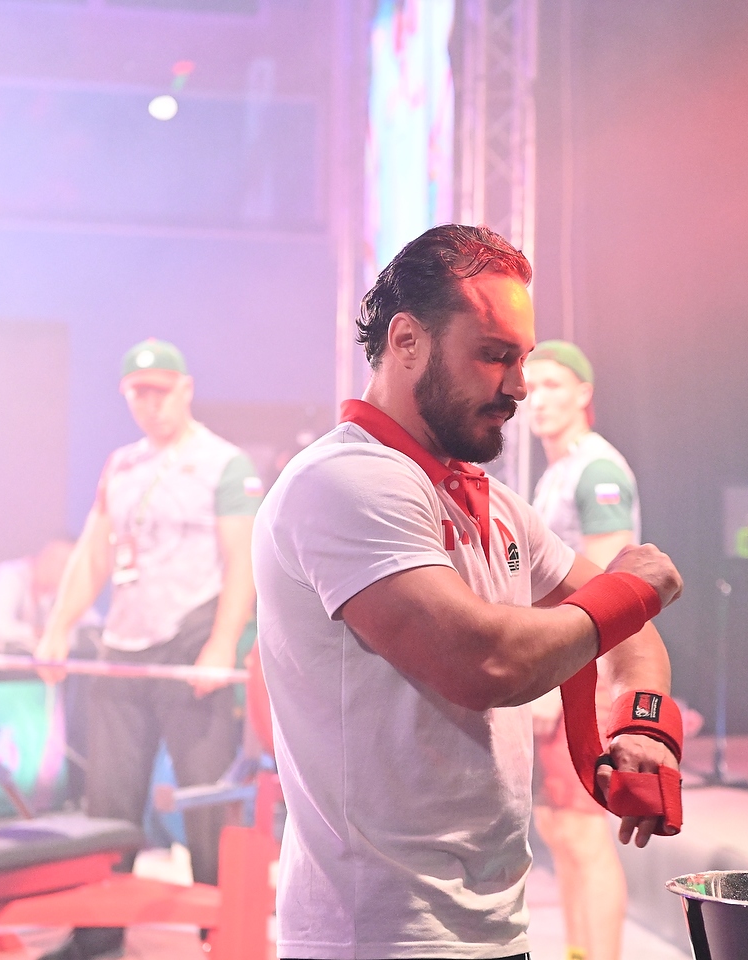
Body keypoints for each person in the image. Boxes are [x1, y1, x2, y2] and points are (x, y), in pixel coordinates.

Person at [254, 224, 684, 960]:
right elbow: (484, 663)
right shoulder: (345, 482)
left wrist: (643, 726)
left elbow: (631, 633)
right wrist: (629, 591)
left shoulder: (495, 502)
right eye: (493, 355)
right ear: (407, 341)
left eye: (523, 359)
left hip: (488, 926)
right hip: (376, 938)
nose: (518, 386)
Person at [34, 338, 263, 960]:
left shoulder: (224, 463)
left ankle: (224, 941)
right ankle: (96, 939)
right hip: (123, 646)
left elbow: (242, 562)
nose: (150, 403)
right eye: (138, 393)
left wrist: (221, 644)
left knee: (206, 803)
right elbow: (93, 552)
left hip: (191, 644)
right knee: (107, 804)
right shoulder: (122, 464)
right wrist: (58, 627)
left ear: (185, 390)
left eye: (160, 391)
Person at [524, 340, 638, 960]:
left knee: (583, 830)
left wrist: (555, 679)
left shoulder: (598, 471)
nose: (538, 399)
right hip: (558, 670)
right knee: (558, 828)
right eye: (531, 387)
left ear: (583, 394)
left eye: (553, 386)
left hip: (584, 674)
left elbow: (607, 593)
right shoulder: (557, 472)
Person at [0, 538, 92, 655]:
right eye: (65, 565)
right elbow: (1, 629)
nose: (69, 572)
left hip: (27, 661)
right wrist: (47, 633)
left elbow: (90, 627)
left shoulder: (57, 591)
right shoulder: (10, 575)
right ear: (48, 558)